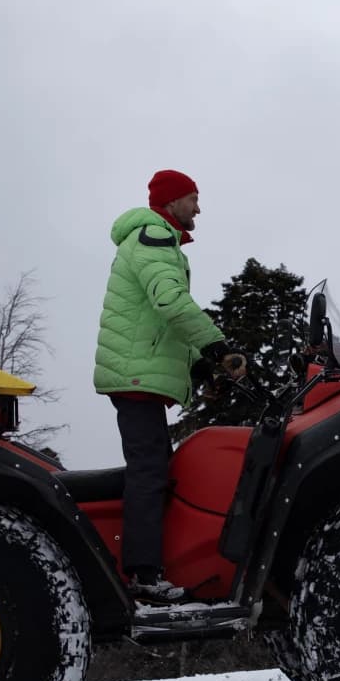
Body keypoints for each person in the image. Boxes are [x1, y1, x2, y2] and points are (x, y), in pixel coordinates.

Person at [93, 168, 246, 602]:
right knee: (148, 472)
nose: (198, 207)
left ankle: (152, 564)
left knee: (156, 469)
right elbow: (171, 302)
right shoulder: (153, 236)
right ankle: (143, 574)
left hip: (140, 372)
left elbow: (161, 319)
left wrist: (200, 368)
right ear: (172, 201)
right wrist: (218, 348)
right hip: (136, 375)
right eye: (193, 198)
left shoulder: (156, 240)